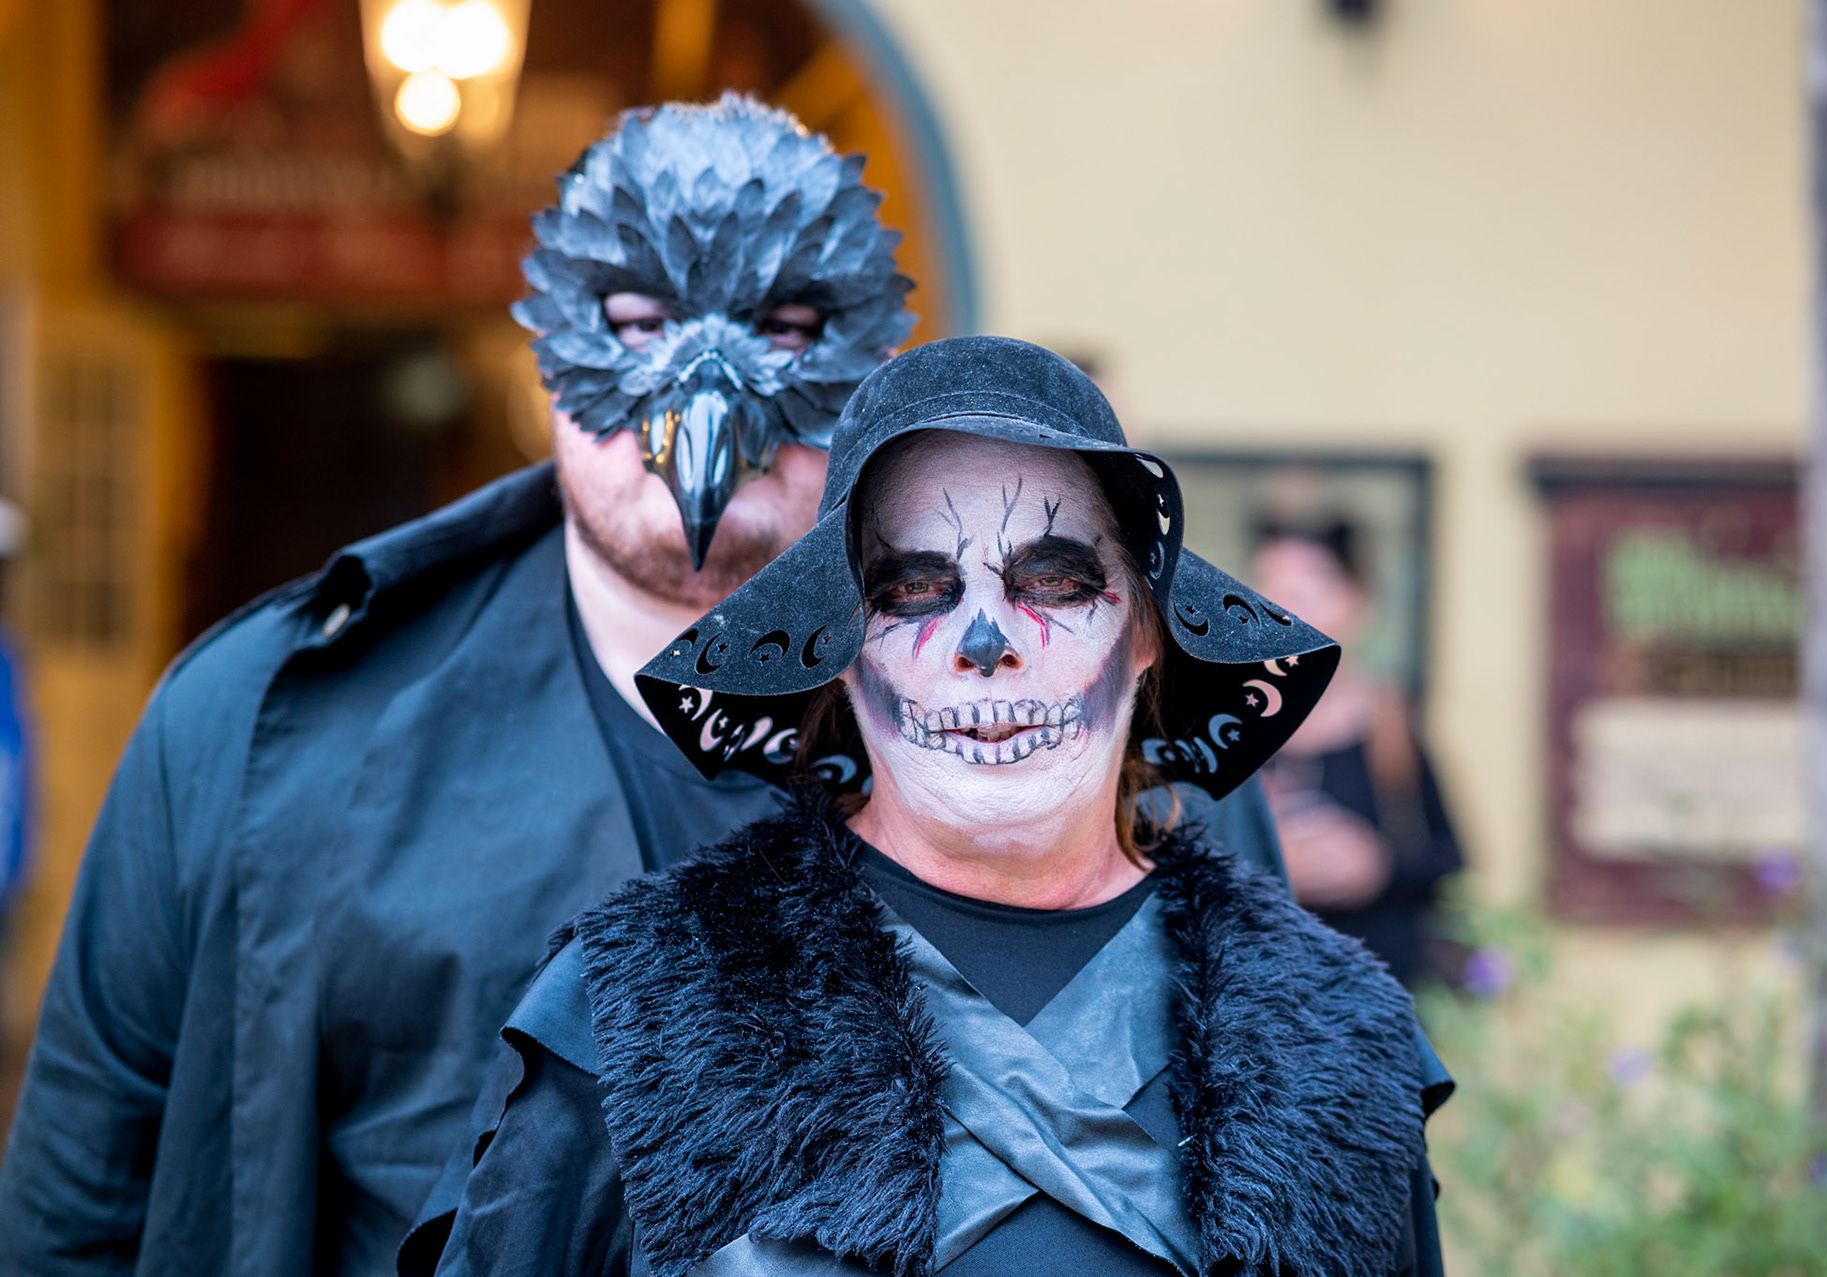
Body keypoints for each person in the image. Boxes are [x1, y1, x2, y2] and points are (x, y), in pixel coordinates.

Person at [0, 100, 1285, 1277]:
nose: (704, 405)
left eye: (788, 328)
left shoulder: (1120, 747)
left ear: (868, 352)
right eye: (634, 323)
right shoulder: (258, 729)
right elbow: (78, 1214)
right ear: (552, 341)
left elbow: (1295, 1170)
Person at [417, 337, 1451, 1277]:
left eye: (1054, 579)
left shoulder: (1339, 1042)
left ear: (1145, 631)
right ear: (838, 652)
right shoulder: (640, 1003)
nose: (986, 642)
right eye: (913, 590)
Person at [1250, 518, 1463, 986]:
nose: (1275, 613)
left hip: (1375, 993)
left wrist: (1379, 867)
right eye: (1262, 592)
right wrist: (1268, 865)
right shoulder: (1223, 730)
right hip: (1259, 995)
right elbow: (1164, 863)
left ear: (1354, 602)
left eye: (1299, 594)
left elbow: (1451, 863)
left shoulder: (1391, 729)